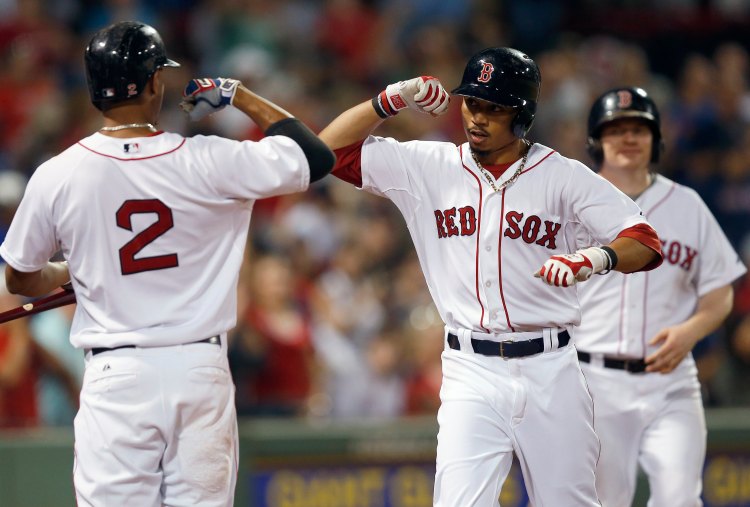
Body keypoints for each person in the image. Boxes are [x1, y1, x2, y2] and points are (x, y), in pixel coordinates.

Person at [0, 20, 334, 507]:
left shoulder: (57, 174)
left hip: (117, 374)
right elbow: (315, 156)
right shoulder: (210, 159)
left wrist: (69, 271)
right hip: (198, 368)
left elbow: (21, 277)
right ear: (156, 82)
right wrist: (238, 95)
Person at [319, 47, 663, 507]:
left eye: (493, 108)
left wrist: (595, 258)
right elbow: (327, 151)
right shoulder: (429, 166)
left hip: (550, 367)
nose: (477, 117)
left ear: (522, 115)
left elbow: (644, 240)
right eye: (472, 103)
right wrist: (390, 100)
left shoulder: (562, 177)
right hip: (470, 368)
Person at [572, 86, 747, 507]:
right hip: (592, 381)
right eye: (616, 129)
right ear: (596, 140)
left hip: (670, 383)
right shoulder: (570, 202)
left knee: (681, 499)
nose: (628, 138)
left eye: (639, 129)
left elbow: (720, 291)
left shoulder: (687, 205)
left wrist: (692, 331)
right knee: (601, 501)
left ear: (657, 140)